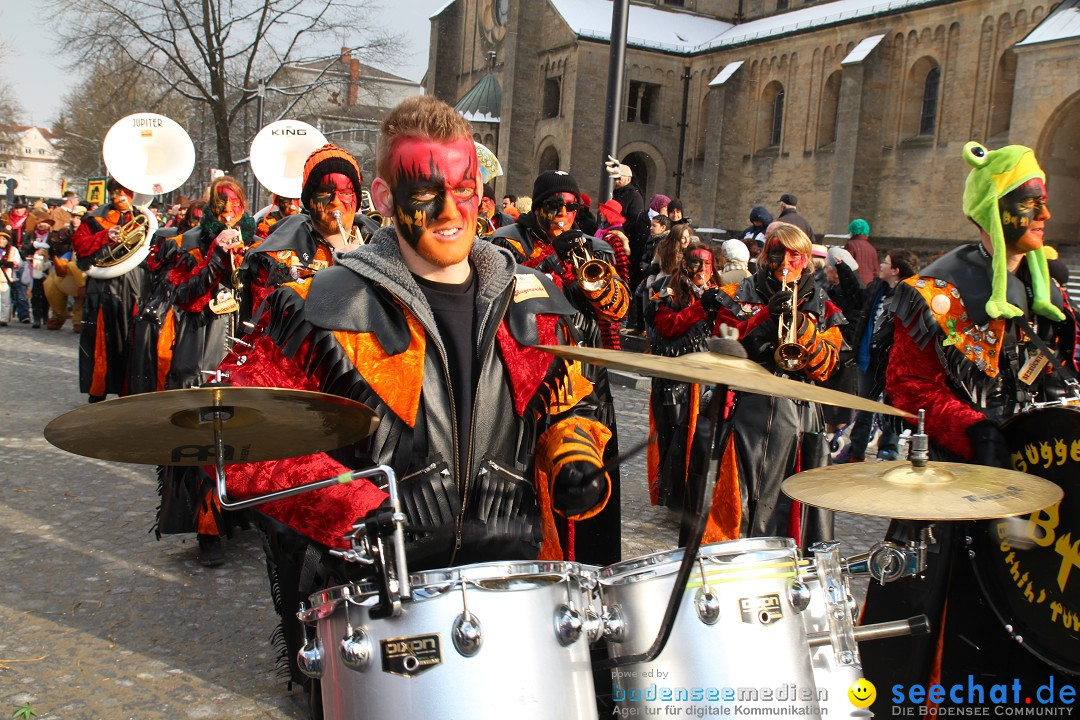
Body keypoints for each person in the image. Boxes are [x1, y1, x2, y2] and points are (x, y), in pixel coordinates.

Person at [217, 95, 614, 703]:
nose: (452, 209)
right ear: (381, 198)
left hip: (513, 595)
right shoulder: (318, 305)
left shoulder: (533, 301)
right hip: (381, 604)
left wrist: (574, 458)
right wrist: (351, 504)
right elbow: (249, 435)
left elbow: (570, 402)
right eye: (425, 191)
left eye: (465, 187)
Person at [859, 143, 1076, 713]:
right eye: (1033, 204)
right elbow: (909, 389)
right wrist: (975, 427)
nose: (1045, 216)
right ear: (996, 210)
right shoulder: (936, 292)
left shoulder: (1047, 287)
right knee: (945, 645)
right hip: (957, 493)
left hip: (1038, 499)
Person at [492, 170, 627, 564]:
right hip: (532, 386)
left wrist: (594, 279)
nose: (563, 214)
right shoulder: (506, 243)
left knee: (588, 488)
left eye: (571, 207)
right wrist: (551, 262)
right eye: (554, 206)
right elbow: (504, 298)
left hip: (588, 384)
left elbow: (619, 310)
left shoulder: (594, 248)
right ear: (537, 207)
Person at [702, 222, 844, 545]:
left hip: (799, 418)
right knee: (736, 508)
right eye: (777, 254)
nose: (784, 264)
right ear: (766, 255)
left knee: (789, 516)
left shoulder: (824, 306)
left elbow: (827, 367)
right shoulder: (739, 293)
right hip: (747, 411)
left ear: (806, 259)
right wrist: (764, 318)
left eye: (794, 256)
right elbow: (723, 347)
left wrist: (802, 328)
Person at [157, 178, 255, 566]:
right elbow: (184, 296)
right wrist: (216, 255)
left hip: (243, 351)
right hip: (202, 350)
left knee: (244, 440)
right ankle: (207, 528)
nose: (228, 210)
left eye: (235, 204)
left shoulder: (258, 240)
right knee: (205, 442)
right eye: (221, 204)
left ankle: (242, 516)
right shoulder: (192, 243)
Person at [239, 144, 365, 322]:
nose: (335, 202)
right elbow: (270, 324)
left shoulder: (374, 245)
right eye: (324, 192)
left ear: (357, 199)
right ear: (309, 199)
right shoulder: (277, 257)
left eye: (345, 192)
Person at [645, 241, 720, 511]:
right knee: (675, 440)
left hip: (709, 380)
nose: (702, 269)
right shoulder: (667, 292)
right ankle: (675, 498)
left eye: (708, 264)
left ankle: (699, 496)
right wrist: (701, 309)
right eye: (696, 263)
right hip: (675, 382)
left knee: (706, 441)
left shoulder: (718, 292)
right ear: (685, 264)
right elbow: (666, 329)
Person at [70, 179, 151, 401]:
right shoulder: (95, 219)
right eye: (115, 193)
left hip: (133, 284)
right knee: (100, 338)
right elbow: (79, 245)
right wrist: (105, 236)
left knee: (131, 337)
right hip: (102, 286)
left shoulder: (144, 218)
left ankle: (129, 392)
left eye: (124, 192)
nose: (119, 197)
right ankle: (98, 390)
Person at [845, 249, 919, 463]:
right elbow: (859, 302)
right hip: (869, 357)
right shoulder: (878, 287)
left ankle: (888, 451)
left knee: (891, 408)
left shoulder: (911, 294)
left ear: (895, 270)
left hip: (894, 362)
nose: (881, 266)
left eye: (885, 263)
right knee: (865, 406)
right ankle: (856, 450)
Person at [843, 218, 878, 286]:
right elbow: (876, 270)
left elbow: (846, 267)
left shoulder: (850, 245)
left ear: (852, 231)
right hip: (870, 284)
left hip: (855, 284)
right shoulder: (872, 248)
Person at [0, 230, 22, 325]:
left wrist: (10, 264)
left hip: (6, 278)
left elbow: (19, 263)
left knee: (5, 299)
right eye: (0, 239)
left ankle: (3, 319)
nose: (1, 241)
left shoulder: (13, 250)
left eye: (3, 239)